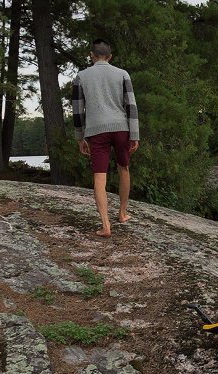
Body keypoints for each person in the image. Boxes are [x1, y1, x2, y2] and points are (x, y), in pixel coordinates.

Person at [72, 39, 139, 237]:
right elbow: (131, 105)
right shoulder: (122, 74)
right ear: (110, 57)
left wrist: (80, 137)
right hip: (121, 128)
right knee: (124, 168)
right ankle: (123, 213)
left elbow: (78, 111)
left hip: (96, 131)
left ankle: (105, 226)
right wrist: (134, 134)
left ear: (92, 55)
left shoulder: (81, 77)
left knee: (99, 177)